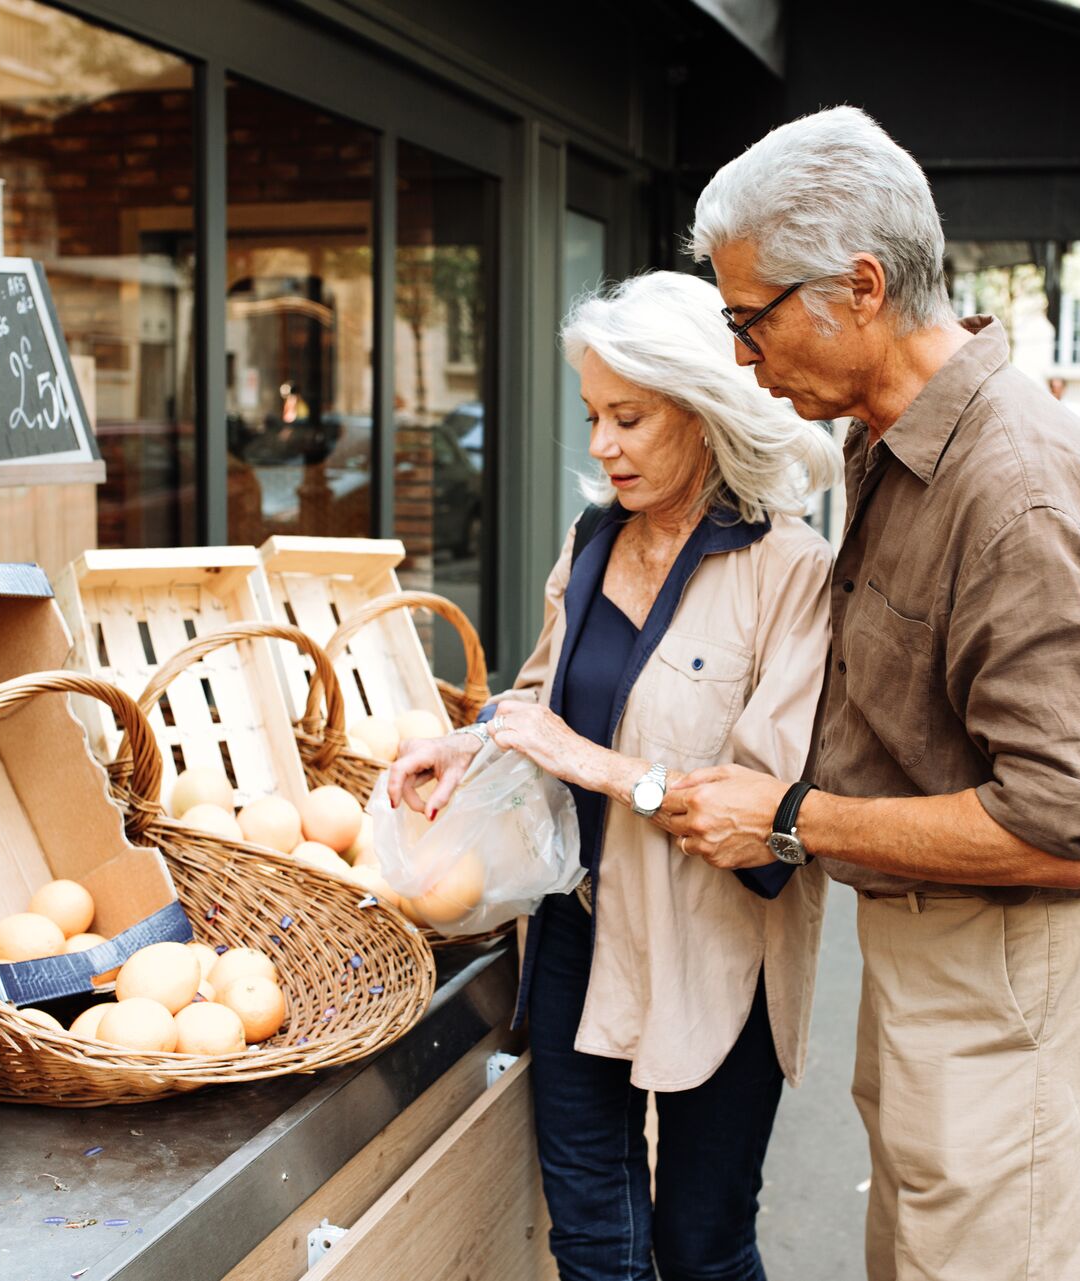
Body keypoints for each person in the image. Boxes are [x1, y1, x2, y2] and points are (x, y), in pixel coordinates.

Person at [668, 106, 1080, 1281]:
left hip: (1019, 966)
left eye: (751, 320)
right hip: (942, 951)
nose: (743, 356)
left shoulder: (1014, 488)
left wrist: (790, 817)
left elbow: (1066, 828)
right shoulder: (890, 436)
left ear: (858, 288)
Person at [385, 270, 840, 1281]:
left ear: (705, 407)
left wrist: (590, 763)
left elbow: (767, 820)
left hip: (717, 958)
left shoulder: (791, 571)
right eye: (594, 416)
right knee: (592, 1240)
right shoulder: (594, 541)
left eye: (628, 418)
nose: (600, 445)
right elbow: (543, 698)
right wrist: (473, 743)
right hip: (581, 934)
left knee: (701, 1245)